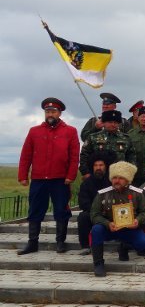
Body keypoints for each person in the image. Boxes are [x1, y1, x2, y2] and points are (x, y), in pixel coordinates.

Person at [17, 97, 80, 255]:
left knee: (61, 210)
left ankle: (60, 242)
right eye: (47, 111)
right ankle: (32, 243)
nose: (50, 114)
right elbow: (26, 155)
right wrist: (23, 175)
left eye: (53, 111)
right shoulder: (34, 131)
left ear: (59, 113)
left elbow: (74, 157)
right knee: (35, 210)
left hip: (60, 179)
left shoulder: (70, 131)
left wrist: (71, 175)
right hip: (39, 179)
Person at [89, 161, 145, 277]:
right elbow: (94, 214)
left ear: (127, 180)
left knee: (143, 243)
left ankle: (124, 247)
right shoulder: (102, 194)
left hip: (129, 229)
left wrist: (137, 221)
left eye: (121, 178)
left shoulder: (137, 193)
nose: (117, 181)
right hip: (110, 228)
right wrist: (107, 223)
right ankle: (98, 264)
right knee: (96, 230)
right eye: (114, 178)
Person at [79, 110, 135, 179]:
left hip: (119, 176)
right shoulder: (93, 137)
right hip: (97, 175)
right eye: (110, 122)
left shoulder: (126, 138)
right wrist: (85, 172)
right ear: (104, 123)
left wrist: (129, 173)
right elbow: (84, 155)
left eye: (115, 122)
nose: (113, 124)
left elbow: (131, 157)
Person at [77, 151, 113, 255]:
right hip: (93, 213)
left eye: (101, 165)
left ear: (106, 166)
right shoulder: (86, 183)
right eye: (96, 165)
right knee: (83, 216)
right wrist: (97, 211)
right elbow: (83, 203)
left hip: (110, 213)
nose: (98, 168)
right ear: (92, 167)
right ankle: (85, 246)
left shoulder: (112, 181)